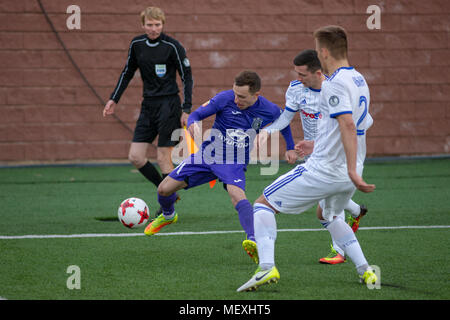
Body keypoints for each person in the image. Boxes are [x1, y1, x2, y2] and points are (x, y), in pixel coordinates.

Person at [237, 26, 377, 292]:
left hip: (326, 171)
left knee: (262, 204)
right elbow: (360, 124)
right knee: (327, 215)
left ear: (323, 52)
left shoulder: (333, 83)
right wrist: (319, 145)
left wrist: (350, 171)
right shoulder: (359, 79)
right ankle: (366, 271)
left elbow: (348, 124)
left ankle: (266, 268)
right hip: (347, 172)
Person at [143, 70, 297, 262]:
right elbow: (197, 114)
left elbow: (284, 122)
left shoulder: (269, 109)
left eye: (241, 97)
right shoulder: (225, 98)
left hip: (233, 161)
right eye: (234, 93)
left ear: (256, 95)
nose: (236, 99)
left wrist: (290, 147)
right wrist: (194, 124)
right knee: (164, 190)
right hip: (207, 155)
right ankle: (168, 215)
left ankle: (253, 240)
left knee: (237, 196)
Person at [262, 49, 368, 265]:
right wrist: (268, 132)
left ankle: (340, 251)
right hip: (314, 151)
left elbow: (360, 122)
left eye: (302, 75)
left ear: (318, 72)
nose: (298, 79)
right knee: (330, 202)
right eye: (297, 75)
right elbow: (286, 117)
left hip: (331, 153)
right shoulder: (296, 89)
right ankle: (356, 212)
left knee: (325, 209)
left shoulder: (335, 89)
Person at [103, 7, 193, 211]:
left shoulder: (172, 46)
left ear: (163, 25)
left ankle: (167, 204)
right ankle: (170, 191)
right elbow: (127, 72)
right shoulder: (137, 44)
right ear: (142, 25)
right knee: (135, 156)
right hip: (148, 105)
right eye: (150, 25)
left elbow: (187, 76)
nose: (154, 29)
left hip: (169, 105)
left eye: (158, 25)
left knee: (163, 157)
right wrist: (113, 99)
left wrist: (186, 108)